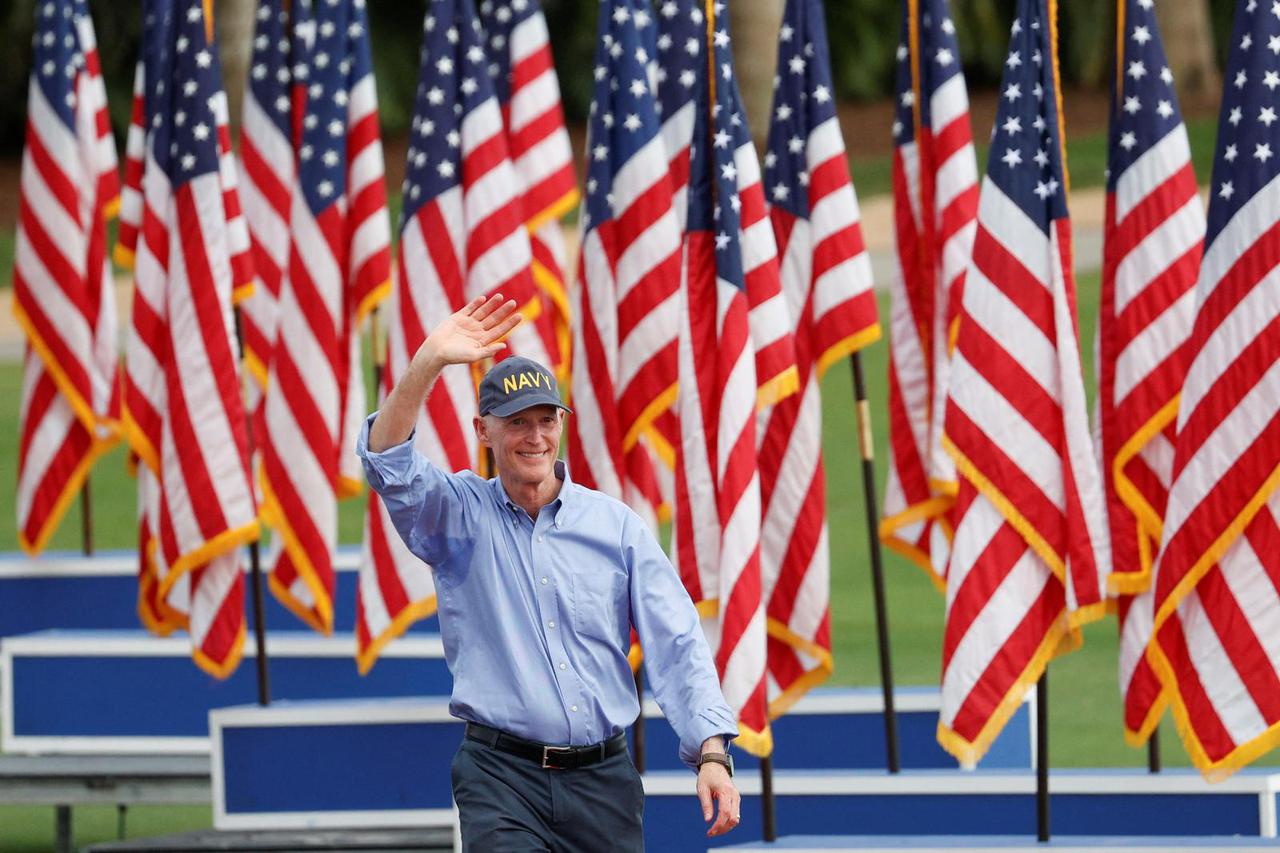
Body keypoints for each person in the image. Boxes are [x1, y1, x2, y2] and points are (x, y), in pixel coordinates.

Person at [358, 293, 742, 851]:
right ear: (483, 431)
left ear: (562, 424)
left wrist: (711, 752)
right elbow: (388, 462)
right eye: (517, 423)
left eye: (546, 420)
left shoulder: (617, 528)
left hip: (604, 781)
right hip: (501, 778)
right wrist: (428, 363)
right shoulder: (457, 515)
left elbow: (677, 643)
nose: (534, 438)